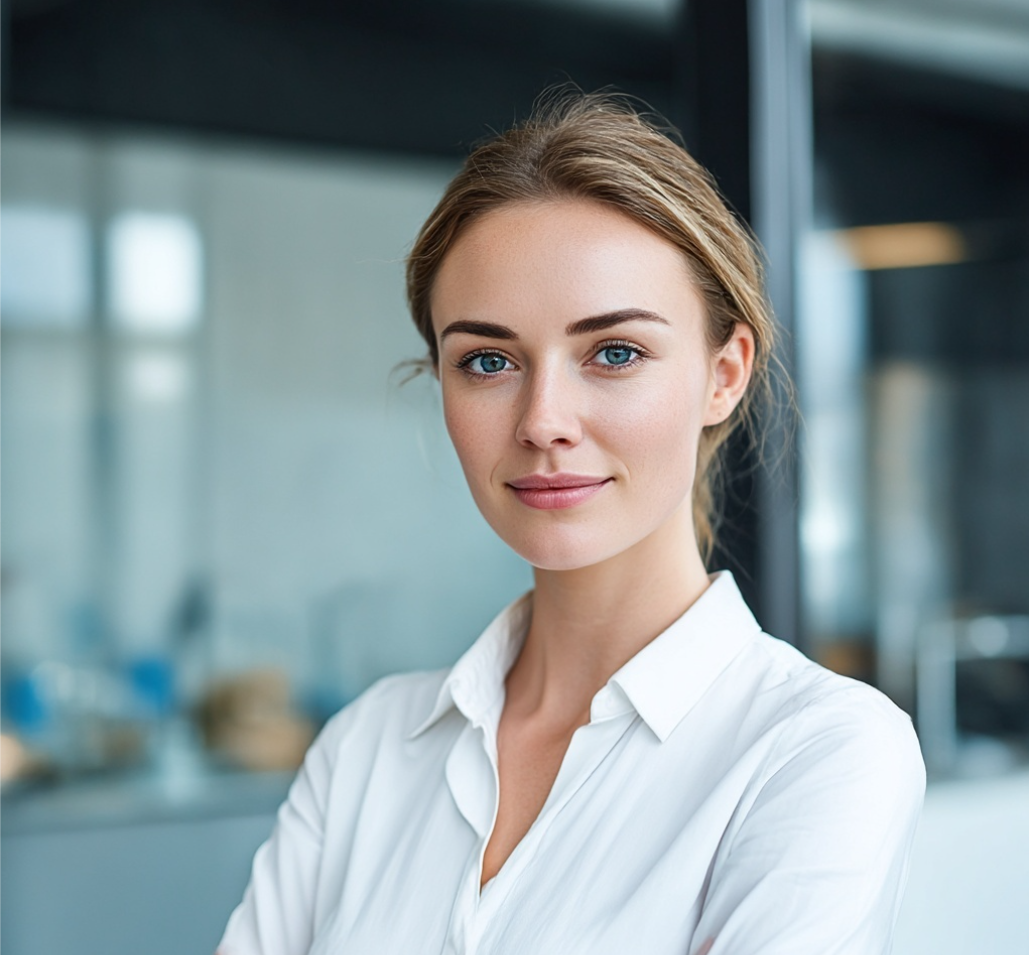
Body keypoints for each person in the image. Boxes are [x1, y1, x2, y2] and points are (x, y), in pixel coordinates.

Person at [217, 91, 925, 955]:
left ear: (723, 373)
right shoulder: (367, 748)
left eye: (614, 352)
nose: (542, 419)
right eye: (487, 360)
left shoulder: (815, 751)